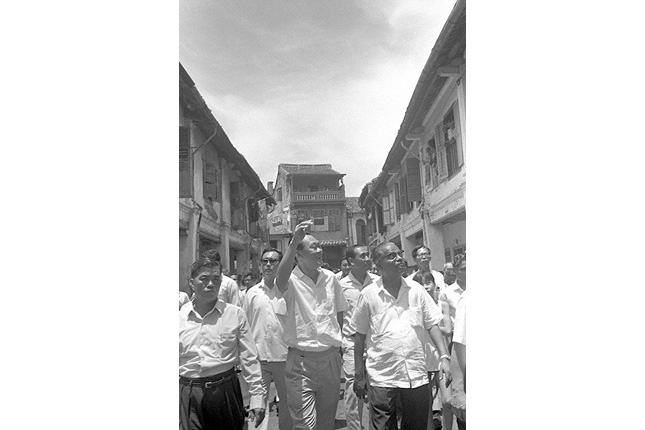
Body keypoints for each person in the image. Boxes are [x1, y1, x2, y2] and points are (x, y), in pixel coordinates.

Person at [352, 242, 452, 430]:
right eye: (391, 256)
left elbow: (432, 323)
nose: (399, 258)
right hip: (383, 376)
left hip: (415, 374)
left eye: (399, 254)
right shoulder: (368, 295)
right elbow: (359, 335)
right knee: (383, 427)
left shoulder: (416, 290)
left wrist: (444, 356)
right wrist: (359, 373)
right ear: (378, 265)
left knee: (416, 426)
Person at [275, 220, 348, 430]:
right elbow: (279, 281)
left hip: (330, 359)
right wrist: (293, 242)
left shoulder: (331, 279)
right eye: (313, 247)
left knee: (326, 423)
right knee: (305, 425)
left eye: (320, 246)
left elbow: (338, 313)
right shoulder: (290, 280)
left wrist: (337, 348)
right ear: (298, 254)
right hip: (301, 361)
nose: (319, 250)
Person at [179, 254, 266, 430]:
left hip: (224, 391)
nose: (210, 284)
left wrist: (257, 397)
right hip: (188, 393)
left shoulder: (234, 314)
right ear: (191, 282)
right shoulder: (179, 317)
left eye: (216, 279)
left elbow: (249, 357)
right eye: (204, 279)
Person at [243, 249, 293, 430]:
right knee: (257, 404)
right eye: (265, 261)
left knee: (287, 404)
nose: (268, 265)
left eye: (273, 261)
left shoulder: (289, 291)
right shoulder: (252, 293)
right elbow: (246, 326)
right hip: (259, 357)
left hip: (285, 357)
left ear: (282, 264)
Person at [339, 245, 380, 430]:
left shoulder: (378, 282)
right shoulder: (341, 286)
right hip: (351, 342)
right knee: (354, 390)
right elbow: (337, 316)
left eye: (367, 255)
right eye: (362, 256)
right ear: (351, 261)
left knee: (378, 389)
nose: (367, 258)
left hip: (375, 343)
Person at [412, 271, 453, 430]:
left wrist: (431, 326)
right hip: (423, 357)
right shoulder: (414, 307)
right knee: (426, 404)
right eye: (421, 284)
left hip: (441, 356)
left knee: (447, 401)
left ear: (435, 285)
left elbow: (448, 329)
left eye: (428, 283)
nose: (425, 287)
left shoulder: (442, 305)